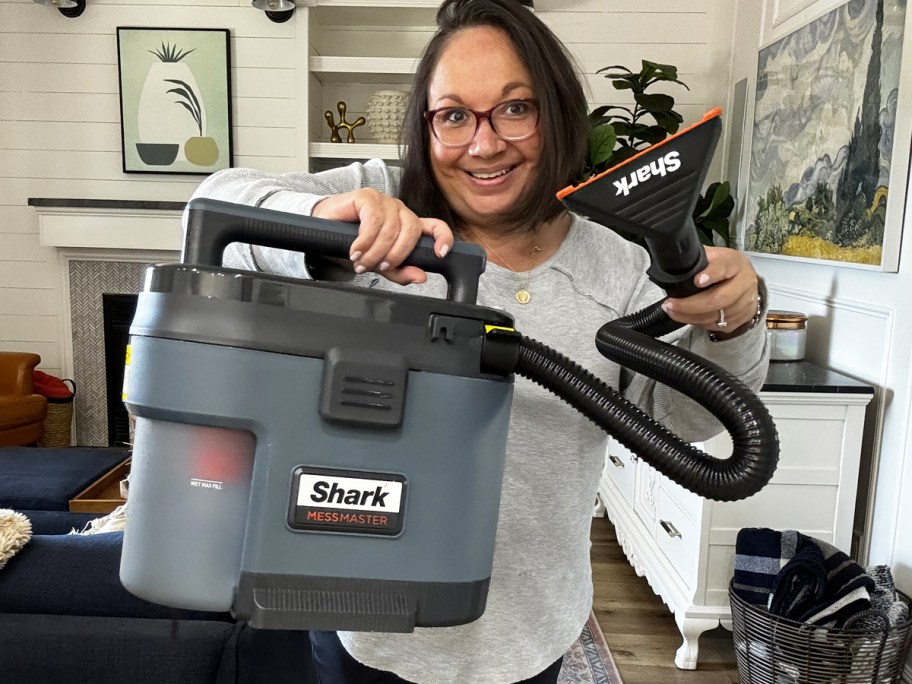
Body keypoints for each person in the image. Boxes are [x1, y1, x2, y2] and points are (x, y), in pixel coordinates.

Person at [189, 0, 770, 681]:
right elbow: (215, 207)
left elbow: (690, 421)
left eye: (514, 108)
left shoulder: (618, 270)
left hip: (525, 630)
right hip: (365, 619)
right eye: (454, 115)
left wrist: (737, 317)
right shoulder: (381, 204)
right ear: (426, 126)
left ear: (555, 113)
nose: (484, 143)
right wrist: (323, 224)